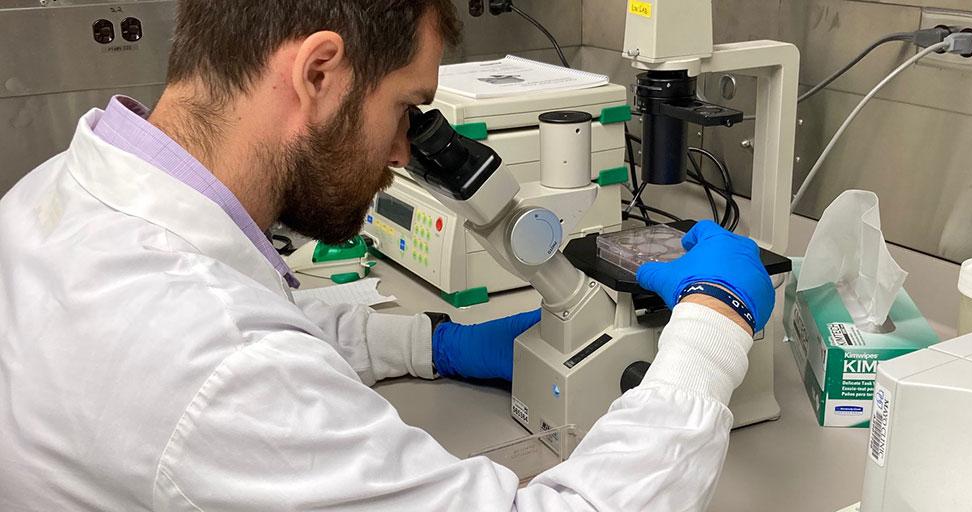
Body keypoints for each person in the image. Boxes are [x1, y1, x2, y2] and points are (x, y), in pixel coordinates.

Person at [0, 1, 775, 510]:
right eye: (406, 108)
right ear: (318, 72)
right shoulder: (221, 368)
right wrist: (712, 331)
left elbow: (257, 316)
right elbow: (232, 360)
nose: (406, 152)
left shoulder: (54, 194)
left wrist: (428, 343)